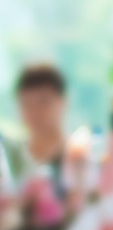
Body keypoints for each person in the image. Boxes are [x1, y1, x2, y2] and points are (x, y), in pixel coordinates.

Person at [10, 63, 81, 218]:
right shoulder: (10, 161)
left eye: (43, 101)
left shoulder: (80, 158)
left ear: (64, 101)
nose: (35, 112)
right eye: (26, 104)